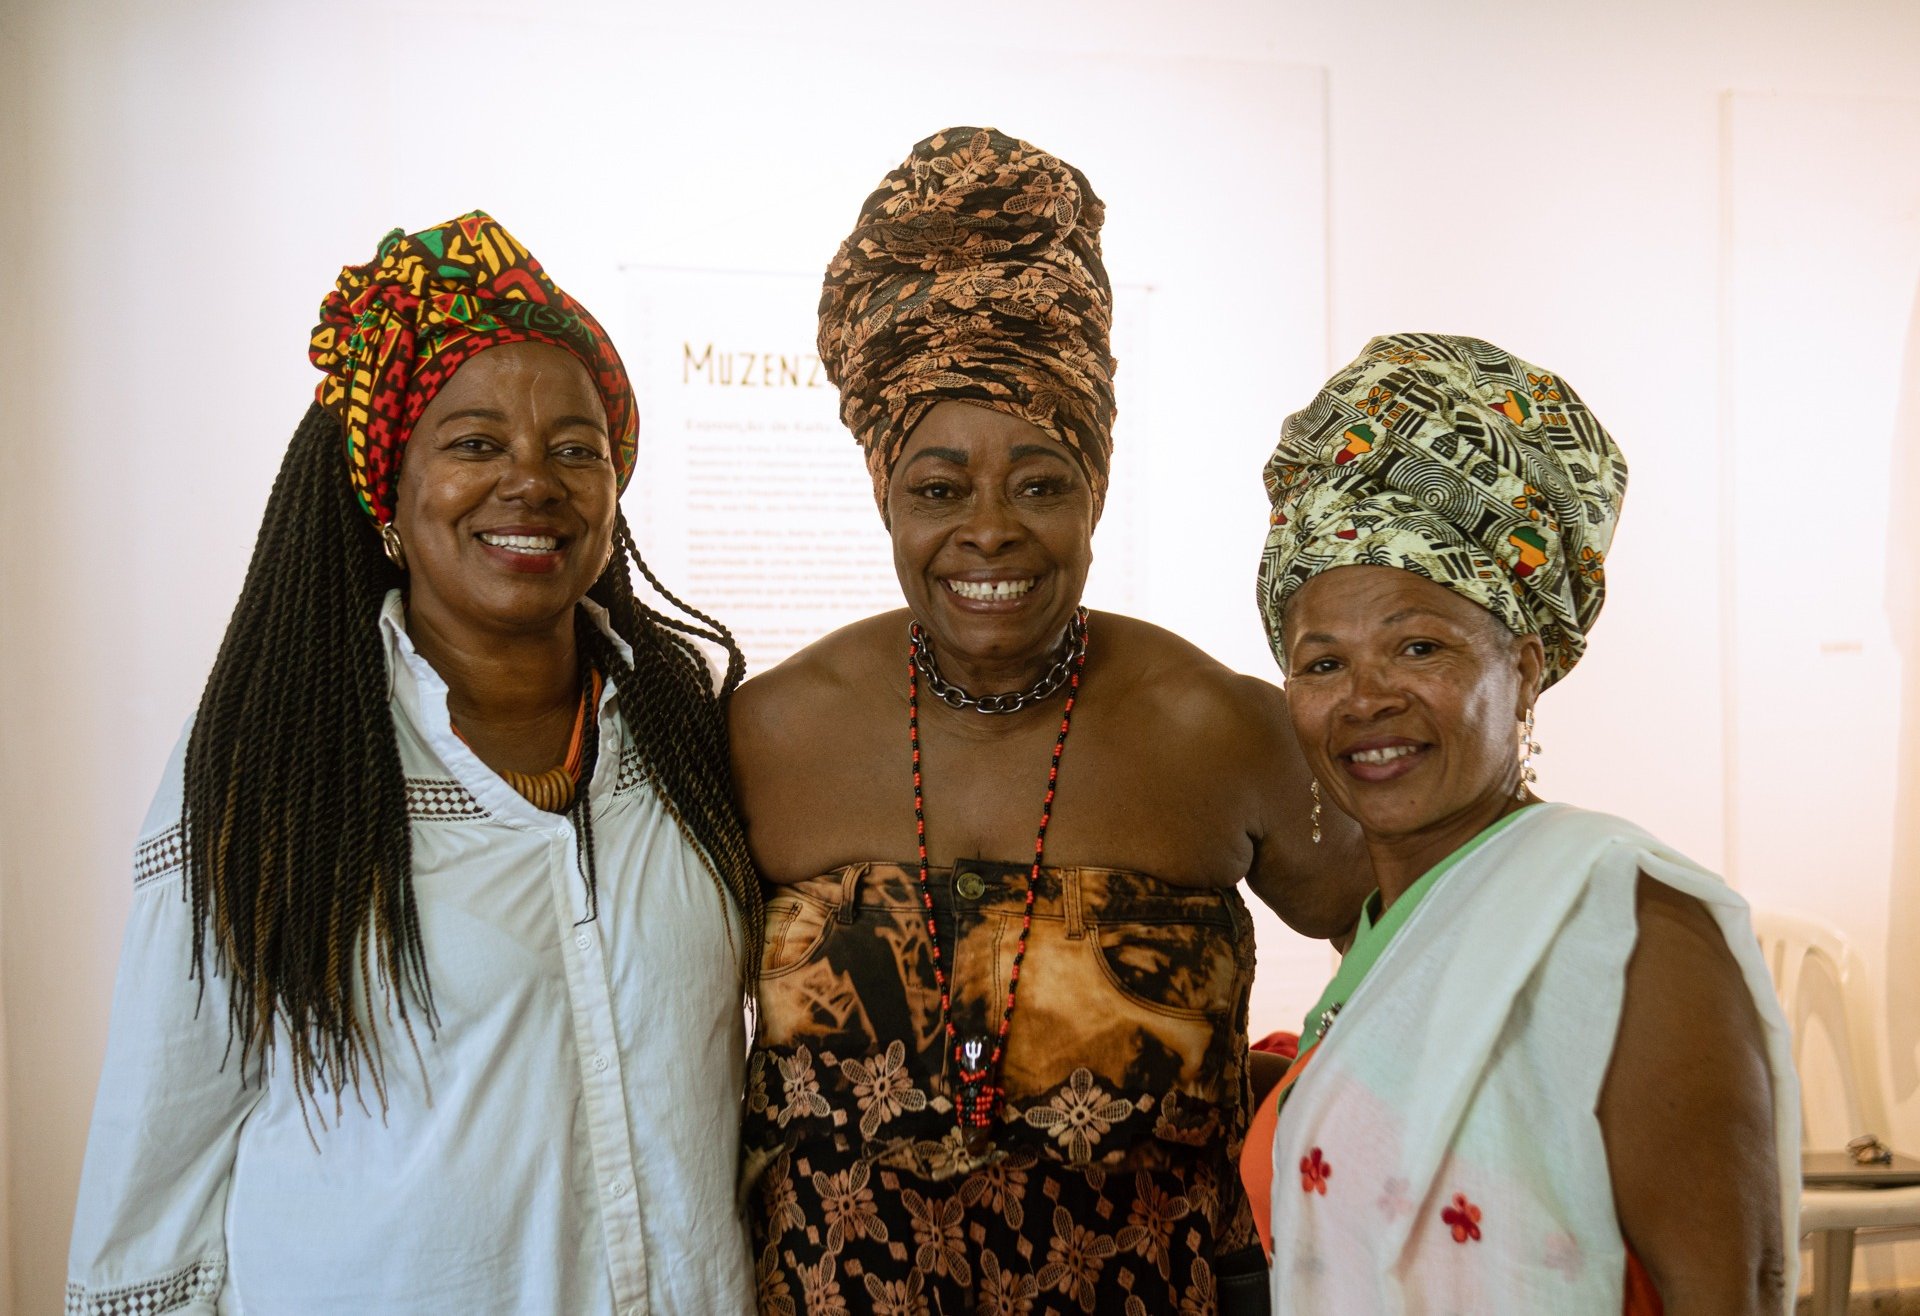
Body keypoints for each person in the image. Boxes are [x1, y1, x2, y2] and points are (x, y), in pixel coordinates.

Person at [67, 212, 762, 1313]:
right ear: (388, 489)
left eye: (576, 447)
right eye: (476, 442)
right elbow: (156, 1193)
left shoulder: (680, 735)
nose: (532, 480)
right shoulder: (273, 769)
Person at [730, 127, 1367, 1316]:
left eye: (1040, 481)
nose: (990, 530)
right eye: (938, 487)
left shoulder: (1219, 730)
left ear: (1097, 491)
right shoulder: (772, 732)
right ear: (884, 490)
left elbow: (1406, 958)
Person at [1253, 333, 1799, 1313]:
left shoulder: (1627, 927)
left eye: (1419, 645)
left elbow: (1733, 1289)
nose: (1365, 698)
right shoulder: (1386, 933)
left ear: (1528, 665)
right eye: (1322, 661)